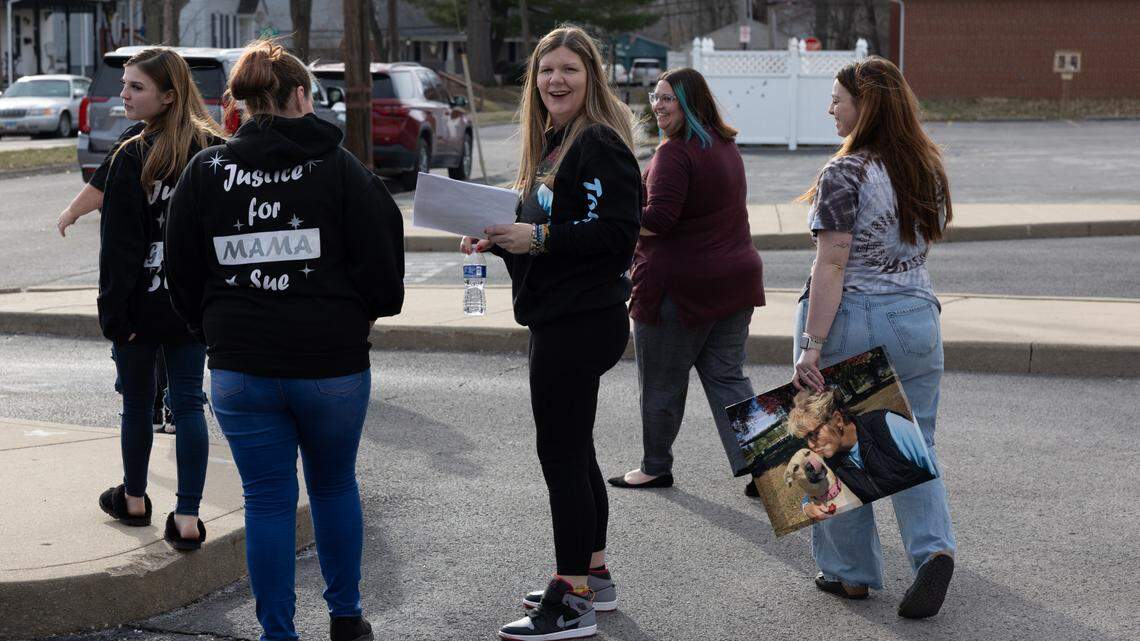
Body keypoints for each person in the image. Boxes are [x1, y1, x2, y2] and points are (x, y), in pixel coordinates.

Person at [164, 39, 404, 641]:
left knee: (267, 502)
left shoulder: (205, 172)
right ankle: (346, 619)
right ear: (302, 96)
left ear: (240, 104)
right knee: (333, 485)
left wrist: (211, 329)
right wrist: (359, 318)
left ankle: (278, 633)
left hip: (240, 366)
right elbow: (384, 273)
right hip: (332, 365)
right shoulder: (345, 171)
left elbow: (181, 272)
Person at [460, 25, 641, 641]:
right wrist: (500, 239)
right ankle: (592, 577)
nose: (555, 81)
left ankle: (570, 604)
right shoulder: (556, 142)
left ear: (591, 76)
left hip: (582, 320)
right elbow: (551, 242)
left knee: (559, 454)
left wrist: (534, 237)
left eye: (568, 69)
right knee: (577, 449)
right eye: (545, 71)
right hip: (561, 313)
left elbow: (617, 236)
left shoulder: (599, 144)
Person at [790, 55, 956, 619]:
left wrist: (811, 344)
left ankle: (849, 574)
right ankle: (933, 552)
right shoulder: (924, 168)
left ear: (866, 107)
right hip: (916, 315)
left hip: (853, 316)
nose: (830, 109)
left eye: (838, 99)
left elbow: (831, 263)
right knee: (915, 442)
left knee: (829, 444)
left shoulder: (844, 173)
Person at [606, 67, 764, 496]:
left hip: (679, 289)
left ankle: (655, 467)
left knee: (660, 382)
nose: (658, 106)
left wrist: (612, 216)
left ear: (690, 103)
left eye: (668, 99)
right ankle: (764, 465)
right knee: (728, 378)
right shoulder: (725, 145)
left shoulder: (676, 153)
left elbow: (657, 221)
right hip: (735, 282)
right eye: (655, 98)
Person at [95, 47, 225, 550]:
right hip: (193, 306)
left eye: (135, 87)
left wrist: (114, 315)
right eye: (125, 84)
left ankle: (133, 499)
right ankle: (188, 518)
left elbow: (120, 248)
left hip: (140, 308)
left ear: (169, 96)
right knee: (188, 403)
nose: (123, 94)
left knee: (136, 404)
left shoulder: (130, 154)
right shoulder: (215, 151)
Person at [60, 122, 176, 434]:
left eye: (135, 87)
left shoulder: (133, 142)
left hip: (140, 276)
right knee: (179, 370)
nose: (123, 95)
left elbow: (100, 185)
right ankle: (172, 408)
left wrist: (72, 211)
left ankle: (155, 410)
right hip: (180, 277)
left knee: (139, 373)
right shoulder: (200, 135)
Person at [786, 388, 938, 505]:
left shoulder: (889, 426)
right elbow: (819, 487)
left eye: (815, 433)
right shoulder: (829, 460)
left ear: (838, 420)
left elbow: (938, 468)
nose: (811, 445)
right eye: (807, 438)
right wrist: (807, 506)